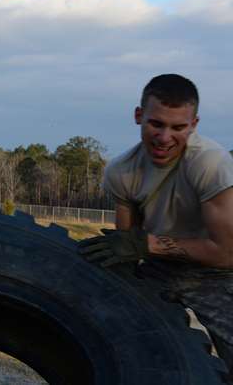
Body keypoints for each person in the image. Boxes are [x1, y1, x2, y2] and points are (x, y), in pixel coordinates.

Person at [78, 73, 233, 378]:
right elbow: (126, 244)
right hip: (156, 267)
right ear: (139, 116)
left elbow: (227, 253)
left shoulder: (211, 164)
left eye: (178, 127)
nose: (165, 138)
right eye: (156, 124)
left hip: (217, 273)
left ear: (194, 125)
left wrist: (144, 244)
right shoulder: (121, 171)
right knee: (124, 339)